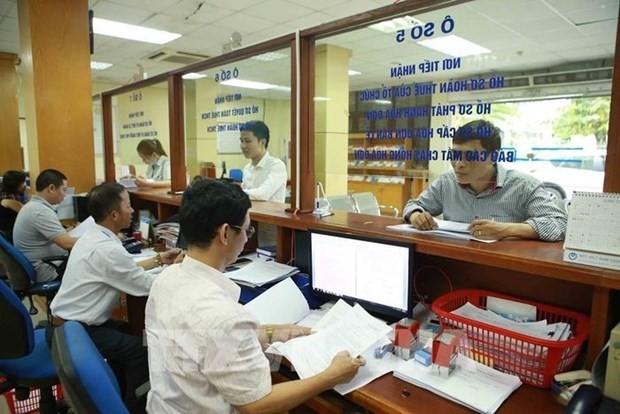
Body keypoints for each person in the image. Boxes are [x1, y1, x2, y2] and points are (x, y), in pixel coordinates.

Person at [145, 179, 365, 413]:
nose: (248, 238)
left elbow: (197, 341)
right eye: (248, 230)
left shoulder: (166, 280)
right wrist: (331, 376)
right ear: (225, 233)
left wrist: (269, 333)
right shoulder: (223, 318)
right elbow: (257, 405)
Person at [49, 182, 181, 413]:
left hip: (65, 323)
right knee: (141, 350)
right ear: (114, 214)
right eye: (128, 206)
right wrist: (179, 269)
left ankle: (119, 392)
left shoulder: (93, 237)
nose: (132, 211)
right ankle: (135, 406)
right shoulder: (108, 249)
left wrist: (159, 260)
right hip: (79, 328)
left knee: (128, 331)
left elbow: (122, 268)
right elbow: (146, 286)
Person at [403, 119, 567, 242]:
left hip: (505, 269)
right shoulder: (446, 182)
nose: (459, 164)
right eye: (455, 155)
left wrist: (508, 229)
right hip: (453, 263)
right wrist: (416, 215)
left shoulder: (524, 186)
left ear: (493, 157)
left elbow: (560, 224)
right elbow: (413, 206)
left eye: (471, 156)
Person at [13, 169, 77, 282]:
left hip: (44, 266)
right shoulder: (40, 211)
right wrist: (94, 237)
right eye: (64, 190)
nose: (65, 195)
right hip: (48, 270)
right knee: (95, 265)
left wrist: (72, 230)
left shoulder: (33, 206)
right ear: (51, 188)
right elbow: (67, 244)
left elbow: (54, 236)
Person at [240, 120, 287, 202]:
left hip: (270, 215)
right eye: (241, 141)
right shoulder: (247, 168)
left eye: (247, 141)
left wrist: (235, 194)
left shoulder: (276, 165)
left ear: (262, 142)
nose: (243, 146)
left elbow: (262, 194)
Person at [0, 170, 29, 240]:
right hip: (10, 234)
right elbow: (29, 213)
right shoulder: (10, 199)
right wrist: (28, 194)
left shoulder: (3, 192)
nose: (25, 185)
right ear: (16, 185)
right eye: (23, 183)